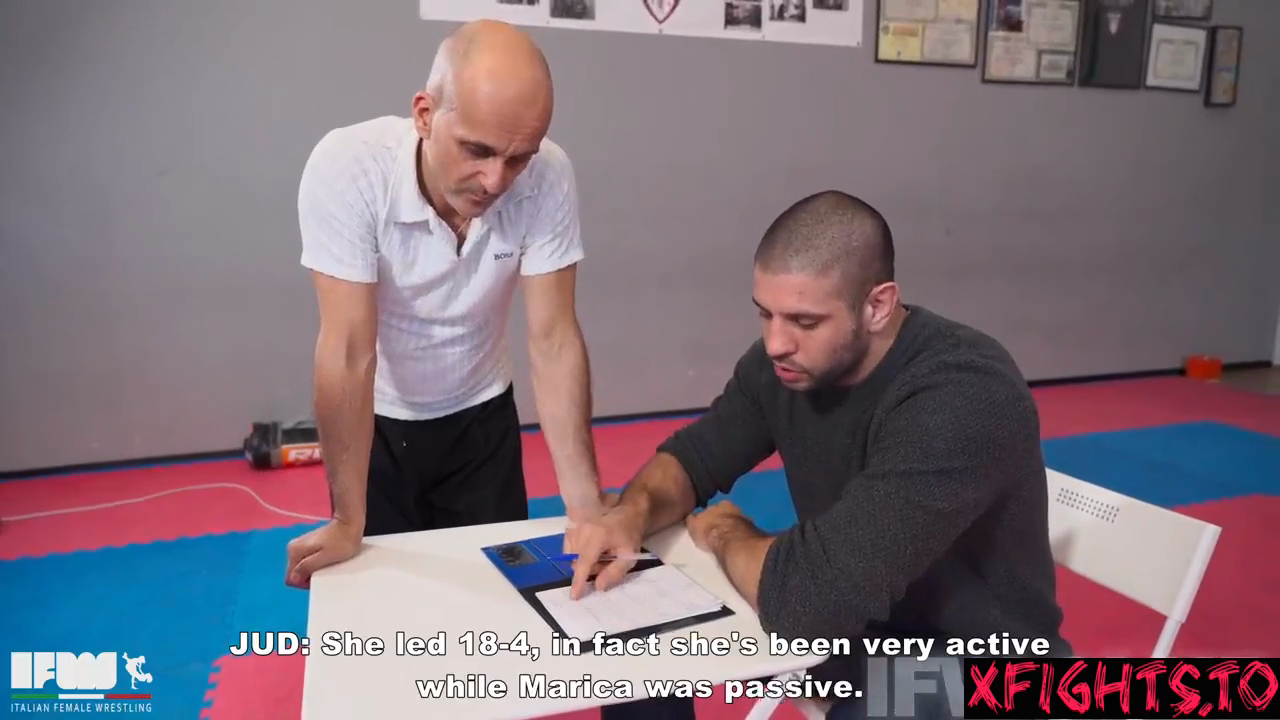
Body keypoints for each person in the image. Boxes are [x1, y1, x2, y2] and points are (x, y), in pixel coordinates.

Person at [571, 191, 1071, 719]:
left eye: (804, 322)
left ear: (877, 306)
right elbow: (693, 458)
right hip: (854, 634)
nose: (775, 342)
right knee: (633, 639)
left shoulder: (963, 391)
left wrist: (724, 533)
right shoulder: (786, 367)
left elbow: (807, 604)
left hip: (989, 673)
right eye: (765, 313)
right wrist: (628, 515)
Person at [284, 20, 606, 589]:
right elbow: (349, 350)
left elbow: (554, 339)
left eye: (518, 158)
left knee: (499, 603)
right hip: (378, 424)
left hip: (483, 419)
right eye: (477, 150)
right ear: (425, 115)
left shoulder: (547, 174)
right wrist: (347, 519)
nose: (496, 180)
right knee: (387, 609)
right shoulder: (350, 167)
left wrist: (585, 511)